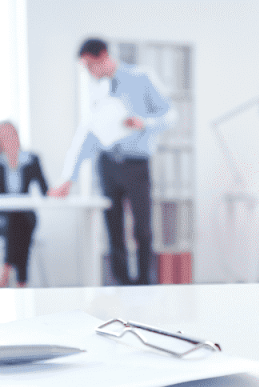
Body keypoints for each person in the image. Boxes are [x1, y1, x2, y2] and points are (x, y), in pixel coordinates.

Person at [49, 38, 176, 285]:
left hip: (136, 164)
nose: (88, 72)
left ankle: (144, 285)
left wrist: (144, 123)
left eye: (89, 66)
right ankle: (121, 286)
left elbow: (170, 115)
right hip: (108, 165)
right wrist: (68, 178)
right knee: (113, 230)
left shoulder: (141, 79)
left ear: (103, 56)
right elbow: (87, 136)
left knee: (142, 229)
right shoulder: (97, 90)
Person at [0, 121, 48, 287]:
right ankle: (22, 283)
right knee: (18, 222)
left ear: (18, 136)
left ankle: (5, 268)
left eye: (12, 135)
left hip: (25, 218)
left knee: (19, 218)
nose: (9, 140)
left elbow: (45, 190)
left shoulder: (31, 160)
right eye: (4, 137)